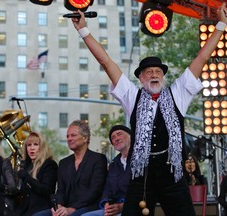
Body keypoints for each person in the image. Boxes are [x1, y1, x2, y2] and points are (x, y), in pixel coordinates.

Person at [70, 4, 227, 215]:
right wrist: (84, 31)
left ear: (163, 76)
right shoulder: (132, 96)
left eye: (158, 72)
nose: (154, 74)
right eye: (148, 72)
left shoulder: (178, 93)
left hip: (173, 174)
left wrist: (221, 25)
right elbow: (105, 61)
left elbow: (201, 58)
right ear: (141, 78)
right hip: (141, 175)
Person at [34, 120, 108, 216]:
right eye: (67, 136)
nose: (69, 139)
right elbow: (60, 190)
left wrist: (72, 209)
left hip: (88, 207)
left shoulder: (98, 159)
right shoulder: (64, 163)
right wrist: (59, 206)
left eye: (73, 135)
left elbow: (95, 191)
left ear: (85, 138)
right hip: (66, 207)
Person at [81, 125, 132, 216]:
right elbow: (107, 188)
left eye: (119, 134)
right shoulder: (113, 165)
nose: (116, 139)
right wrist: (106, 203)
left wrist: (123, 206)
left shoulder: (141, 160)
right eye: (113, 138)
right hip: (114, 208)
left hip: (133, 207)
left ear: (131, 136)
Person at [11, 131, 58, 216]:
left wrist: (27, 178)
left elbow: (47, 191)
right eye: (29, 145)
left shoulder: (49, 165)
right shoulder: (26, 166)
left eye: (35, 144)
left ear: (42, 147)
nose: (31, 148)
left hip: (41, 209)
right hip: (25, 209)